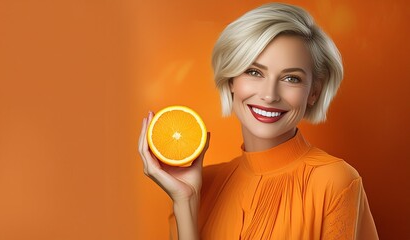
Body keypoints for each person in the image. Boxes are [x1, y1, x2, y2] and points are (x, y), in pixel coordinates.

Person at [138, 3, 378, 239]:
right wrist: (186, 202)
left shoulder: (335, 181)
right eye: (254, 72)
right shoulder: (199, 188)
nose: (269, 94)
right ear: (231, 79)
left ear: (313, 92)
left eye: (291, 78)